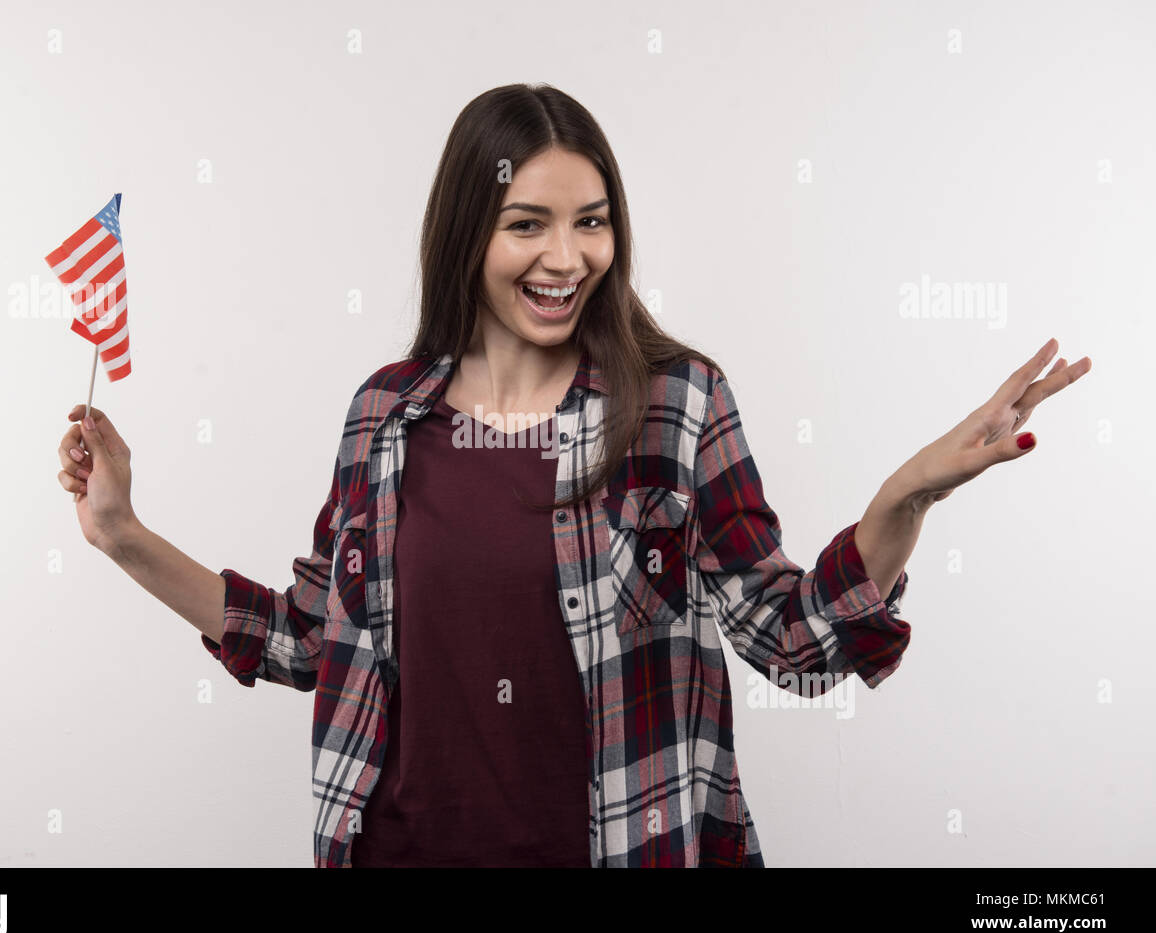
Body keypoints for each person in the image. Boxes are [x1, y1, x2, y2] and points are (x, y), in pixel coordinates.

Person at [54, 83, 1092, 867]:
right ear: (468, 234)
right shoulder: (383, 414)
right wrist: (124, 536)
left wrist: (906, 494)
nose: (568, 256)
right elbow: (315, 643)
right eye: (527, 224)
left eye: (590, 220)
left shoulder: (676, 402)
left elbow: (793, 643)